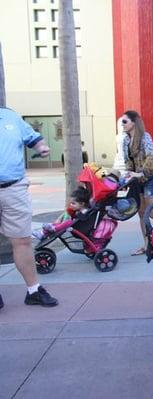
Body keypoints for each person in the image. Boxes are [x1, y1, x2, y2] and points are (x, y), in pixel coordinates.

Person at [0, 107, 58, 308]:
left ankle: (33, 291)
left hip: (13, 188)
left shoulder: (10, 116)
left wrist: (41, 147)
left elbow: (33, 138)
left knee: (22, 240)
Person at [118, 110, 153, 255]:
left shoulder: (145, 137)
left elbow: (151, 158)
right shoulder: (125, 140)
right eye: (122, 122)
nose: (122, 124)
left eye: (125, 121)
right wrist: (128, 174)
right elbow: (127, 161)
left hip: (150, 178)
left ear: (134, 122)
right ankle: (147, 245)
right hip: (136, 180)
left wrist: (141, 173)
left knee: (152, 213)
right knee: (141, 213)